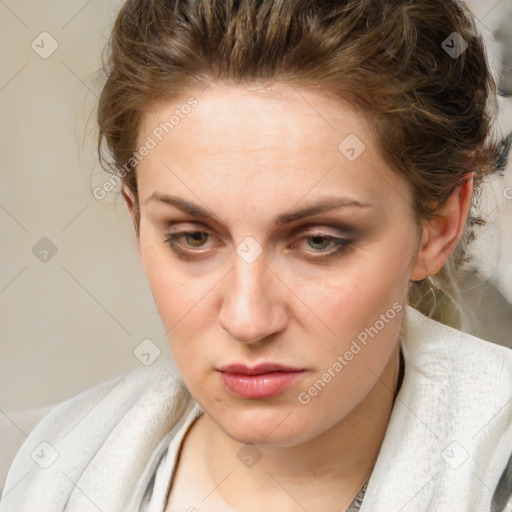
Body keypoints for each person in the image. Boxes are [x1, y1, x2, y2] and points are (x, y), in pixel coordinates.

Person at [1, 0, 512, 511]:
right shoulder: (53, 468)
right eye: (193, 237)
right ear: (137, 219)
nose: (247, 321)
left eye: (318, 241)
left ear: (437, 227)